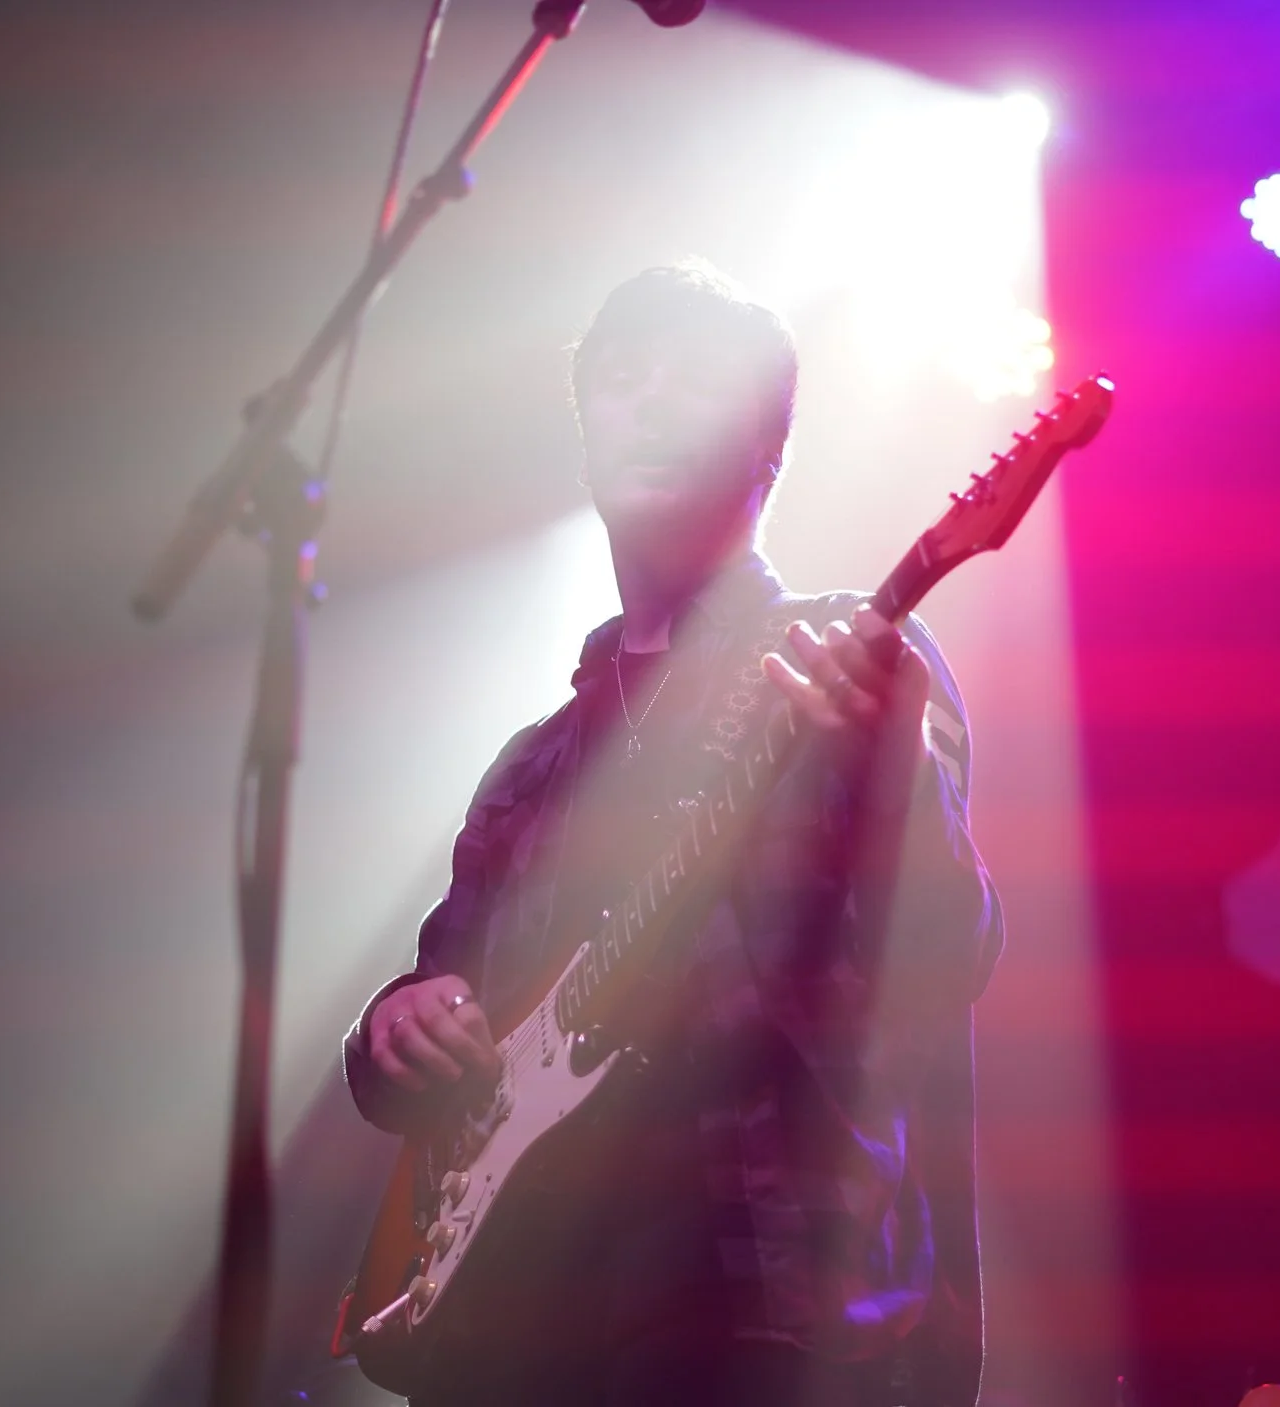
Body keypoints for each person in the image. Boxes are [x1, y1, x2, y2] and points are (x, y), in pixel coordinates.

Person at [341, 261, 1003, 1407]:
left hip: (755, 1302)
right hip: (516, 1326)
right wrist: (390, 1028)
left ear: (769, 449)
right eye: (621, 379)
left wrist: (888, 771)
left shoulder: (847, 658)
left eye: (692, 384)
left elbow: (952, 954)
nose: (646, 403)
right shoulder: (534, 762)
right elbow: (440, 987)